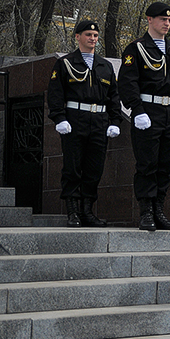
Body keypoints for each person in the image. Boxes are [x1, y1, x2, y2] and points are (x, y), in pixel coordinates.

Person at [118, 2, 170, 231]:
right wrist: (137, 110)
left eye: (169, 20)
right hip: (148, 112)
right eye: (162, 19)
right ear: (149, 20)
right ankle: (146, 211)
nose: (167, 23)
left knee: (165, 165)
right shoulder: (136, 49)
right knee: (147, 164)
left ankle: (159, 209)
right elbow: (127, 82)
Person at [47, 20, 121, 227]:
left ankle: (87, 211)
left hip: (99, 121)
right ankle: (73, 211)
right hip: (74, 120)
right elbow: (55, 93)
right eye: (88, 34)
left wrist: (115, 121)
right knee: (73, 166)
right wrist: (59, 118)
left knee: (94, 168)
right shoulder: (65, 63)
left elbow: (113, 96)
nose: (93, 39)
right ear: (77, 36)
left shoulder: (105, 66)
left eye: (95, 36)